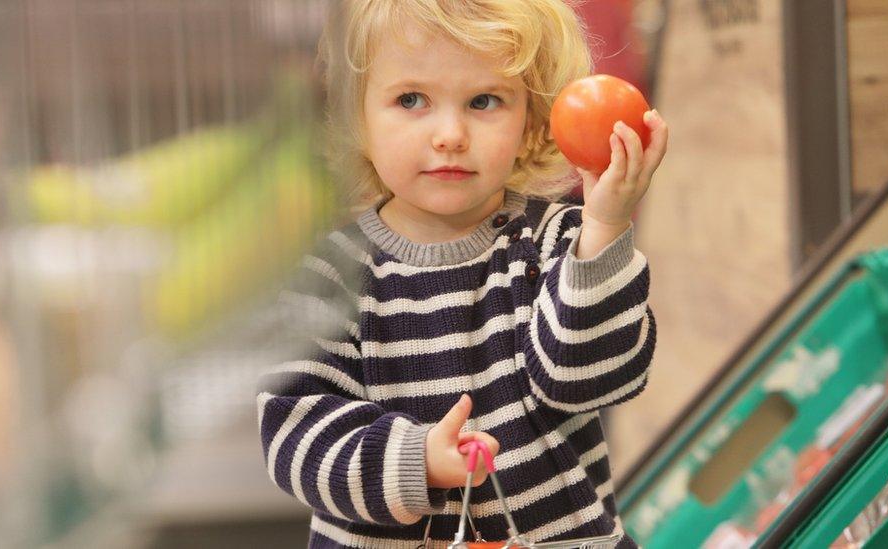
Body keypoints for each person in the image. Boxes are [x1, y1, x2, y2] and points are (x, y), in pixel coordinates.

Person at [256, 1, 667, 546]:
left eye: (483, 101)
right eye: (411, 99)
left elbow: (586, 376)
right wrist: (414, 459)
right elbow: (294, 432)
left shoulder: (559, 246)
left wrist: (607, 226)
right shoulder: (328, 276)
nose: (450, 133)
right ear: (356, 115)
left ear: (530, 122)